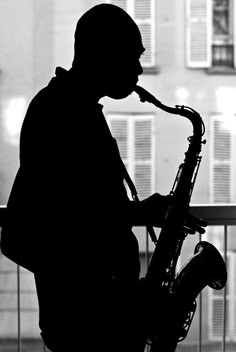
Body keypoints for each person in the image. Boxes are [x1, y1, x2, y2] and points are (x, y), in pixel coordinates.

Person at [0, 4, 206, 352]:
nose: (139, 70)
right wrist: (138, 214)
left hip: (104, 311)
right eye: (132, 56)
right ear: (102, 51)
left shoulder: (79, 110)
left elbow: (86, 205)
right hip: (87, 321)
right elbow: (47, 223)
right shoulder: (57, 113)